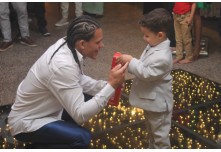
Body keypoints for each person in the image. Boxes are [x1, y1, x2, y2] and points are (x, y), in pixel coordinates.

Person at [8, 15, 128, 148]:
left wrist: (105, 86)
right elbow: (80, 115)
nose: (102, 46)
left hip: (49, 109)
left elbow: (78, 79)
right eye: (98, 42)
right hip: (28, 121)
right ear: (82, 43)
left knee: (92, 97)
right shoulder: (63, 65)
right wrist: (111, 85)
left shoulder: (68, 43)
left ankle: (58, 135)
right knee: (82, 138)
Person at [116, 8, 173, 148]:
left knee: (160, 136)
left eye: (147, 36)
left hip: (159, 106)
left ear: (160, 35)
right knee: (152, 132)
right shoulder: (154, 45)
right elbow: (143, 65)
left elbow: (146, 73)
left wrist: (131, 61)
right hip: (151, 102)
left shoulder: (163, 57)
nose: (144, 39)